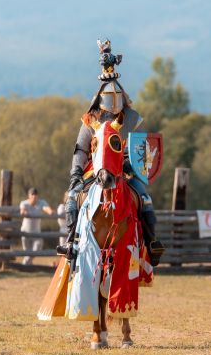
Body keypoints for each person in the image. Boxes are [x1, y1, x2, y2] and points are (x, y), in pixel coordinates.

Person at [56, 38, 164, 265]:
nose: (113, 104)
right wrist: (76, 175)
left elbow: (142, 151)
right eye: (108, 98)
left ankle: (151, 243)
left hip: (125, 171)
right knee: (74, 198)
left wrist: (131, 166)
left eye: (116, 98)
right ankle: (70, 243)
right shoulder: (91, 119)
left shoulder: (132, 119)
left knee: (144, 199)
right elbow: (81, 149)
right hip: (95, 169)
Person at [19, 187, 53, 265]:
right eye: (32, 194)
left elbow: (46, 208)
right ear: (29, 196)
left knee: (37, 248)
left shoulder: (41, 202)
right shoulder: (24, 203)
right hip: (25, 232)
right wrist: (24, 212)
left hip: (36, 232)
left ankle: (25, 263)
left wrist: (50, 212)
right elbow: (22, 210)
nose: (34, 196)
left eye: (36, 195)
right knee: (27, 251)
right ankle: (28, 265)